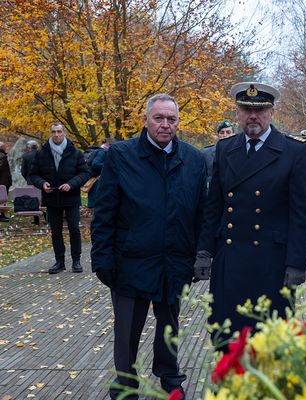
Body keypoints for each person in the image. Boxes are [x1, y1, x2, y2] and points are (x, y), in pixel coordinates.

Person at [91, 94, 207, 399]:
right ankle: (126, 383)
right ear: (145, 120)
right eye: (159, 118)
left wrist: (200, 255)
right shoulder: (121, 155)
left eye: (172, 119)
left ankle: (169, 375)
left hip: (175, 260)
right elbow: (105, 210)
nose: (165, 125)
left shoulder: (194, 160)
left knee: (169, 325)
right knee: (127, 329)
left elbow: (202, 212)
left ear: (178, 122)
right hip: (130, 260)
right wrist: (101, 257)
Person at [197, 82, 306, 348]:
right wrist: (204, 250)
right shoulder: (225, 149)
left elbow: (302, 214)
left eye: (260, 110)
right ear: (237, 112)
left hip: (272, 263)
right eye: (246, 109)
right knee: (227, 337)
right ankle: (227, 386)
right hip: (230, 258)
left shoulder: (294, 151)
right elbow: (213, 204)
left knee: (269, 340)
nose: (253, 116)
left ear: (272, 112)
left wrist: (297, 263)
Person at [29, 123, 90, 273]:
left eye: (59, 132)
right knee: (55, 231)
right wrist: (42, 183)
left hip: (71, 197)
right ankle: (59, 261)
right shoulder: (41, 153)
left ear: (64, 133)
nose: (56, 135)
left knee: (74, 229)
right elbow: (33, 175)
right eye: (53, 132)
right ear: (50, 133)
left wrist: (71, 184)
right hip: (51, 198)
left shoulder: (75, 152)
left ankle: (76, 261)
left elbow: (85, 173)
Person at [201, 120, 235, 187]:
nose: (225, 135)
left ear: (233, 135)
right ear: (218, 135)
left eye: (228, 132)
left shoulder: (240, 153)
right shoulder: (206, 154)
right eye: (222, 132)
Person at [86, 138, 116, 211]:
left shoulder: (104, 151)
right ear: (109, 145)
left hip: (97, 181)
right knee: (97, 205)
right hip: (97, 181)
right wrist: (109, 165)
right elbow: (95, 164)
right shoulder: (102, 152)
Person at [20, 140, 41, 224]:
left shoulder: (25, 156)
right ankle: (48, 218)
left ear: (29, 147)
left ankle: (36, 220)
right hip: (43, 180)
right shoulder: (43, 154)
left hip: (31, 180)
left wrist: (27, 178)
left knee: (34, 199)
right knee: (44, 197)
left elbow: (23, 171)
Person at [0, 142, 12, 222]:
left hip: (3, 181)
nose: (6, 147)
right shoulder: (2, 156)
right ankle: (2, 215)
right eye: (4, 146)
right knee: (3, 199)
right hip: (3, 181)